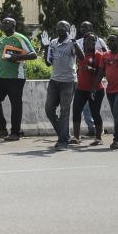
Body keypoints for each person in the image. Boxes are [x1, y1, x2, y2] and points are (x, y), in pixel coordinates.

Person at [0, 17, 37, 141]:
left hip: (16, 77)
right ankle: (1, 129)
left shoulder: (20, 38)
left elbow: (33, 54)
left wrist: (17, 56)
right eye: (2, 22)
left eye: (6, 23)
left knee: (15, 104)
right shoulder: (1, 38)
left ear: (13, 25)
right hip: (0, 76)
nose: (2, 24)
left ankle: (15, 132)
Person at [43, 21, 82, 151]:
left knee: (64, 111)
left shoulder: (71, 42)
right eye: (58, 26)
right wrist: (46, 47)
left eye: (63, 26)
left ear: (68, 29)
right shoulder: (53, 42)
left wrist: (75, 42)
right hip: (54, 80)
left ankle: (63, 141)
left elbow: (81, 58)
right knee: (49, 109)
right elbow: (48, 63)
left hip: (68, 81)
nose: (60, 28)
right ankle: (64, 134)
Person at [72, 33, 105, 146]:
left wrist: (92, 69)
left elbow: (102, 72)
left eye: (93, 40)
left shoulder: (99, 55)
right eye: (88, 40)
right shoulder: (81, 54)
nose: (91, 42)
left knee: (95, 112)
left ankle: (98, 138)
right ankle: (76, 137)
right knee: (76, 110)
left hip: (95, 89)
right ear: (84, 41)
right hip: (81, 88)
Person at [101, 34, 118, 150]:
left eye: (113, 40)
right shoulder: (105, 56)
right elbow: (101, 71)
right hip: (110, 90)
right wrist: (94, 86)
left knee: (117, 115)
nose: (110, 43)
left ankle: (116, 140)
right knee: (116, 115)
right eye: (109, 41)